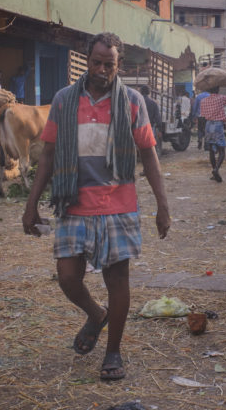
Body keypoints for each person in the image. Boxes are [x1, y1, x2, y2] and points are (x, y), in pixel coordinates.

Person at [21, 32, 169, 381]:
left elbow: (148, 155)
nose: (102, 70)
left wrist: (163, 206)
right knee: (67, 277)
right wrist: (31, 204)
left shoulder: (132, 101)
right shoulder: (63, 101)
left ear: (119, 65)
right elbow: (49, 155)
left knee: (118, 280)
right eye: (97, 62)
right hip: (74, 203)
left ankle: (113, 351)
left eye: (110, 64)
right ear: (87, 61)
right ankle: (95, 313)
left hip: (118, 205)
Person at [200, 87, 226, 183]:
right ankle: (216, 169)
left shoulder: (204, 101)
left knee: (211, 150)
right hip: (218, 125)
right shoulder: (221, 98)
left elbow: (202, 116)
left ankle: (214, 171)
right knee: (222, 150)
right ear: (218, 90)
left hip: (208, 125)